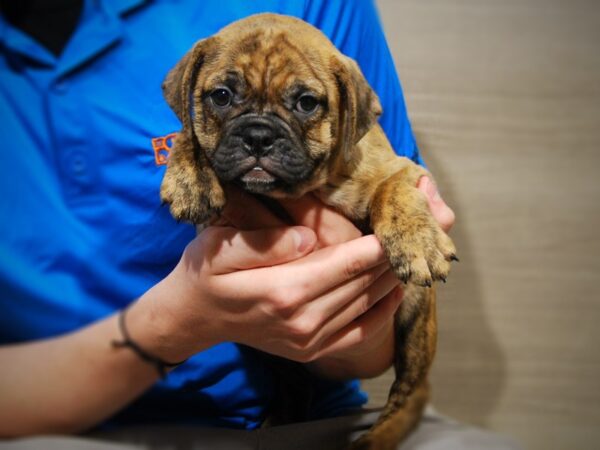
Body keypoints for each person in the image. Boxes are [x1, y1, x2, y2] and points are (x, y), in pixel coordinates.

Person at [0, 0, 518, 449]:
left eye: (305, 103)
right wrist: (176, 321)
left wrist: (389, 232)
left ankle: (403, 410)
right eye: (224, 98)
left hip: (303, 413)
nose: (258, 136)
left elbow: (395, 180)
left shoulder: (328, 27)